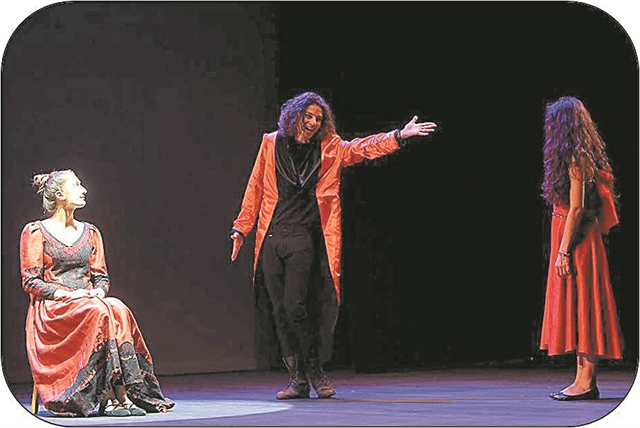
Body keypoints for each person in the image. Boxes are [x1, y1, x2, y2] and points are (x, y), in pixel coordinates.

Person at [230, 91, 437, 399]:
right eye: (308, 116)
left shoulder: (330, 147)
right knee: (279, 311)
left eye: (319, 118)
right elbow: (255, 187)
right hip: (272, 239)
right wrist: (241, 228)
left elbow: (362, 148)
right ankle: (297, 380)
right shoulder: (271, 143)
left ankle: (315, 370)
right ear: (294, 116)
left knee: (295, 306)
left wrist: (398, 136)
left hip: (303, 238)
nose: (313, 122)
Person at [20, 169, 175, 416]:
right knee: (98, 311)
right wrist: (70, 295)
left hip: (89, 302)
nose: (84, 190)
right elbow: (31, 281)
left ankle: (124, 394)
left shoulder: (90, 232)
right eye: (76, 185)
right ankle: (109, 397)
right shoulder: (35, 232)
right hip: (55, 310)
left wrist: (98, 293)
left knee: (117, 307)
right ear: (59, 195)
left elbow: (101, 277)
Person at [539, 96, 624, 401]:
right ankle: (582, 379)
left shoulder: (577, 158)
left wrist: (563, 252)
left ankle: (585, 383)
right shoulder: (576, 155)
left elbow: (576, 208)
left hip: (577, 240)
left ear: (562, 126)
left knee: (584, 305)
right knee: (576, 307)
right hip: (569, 234)